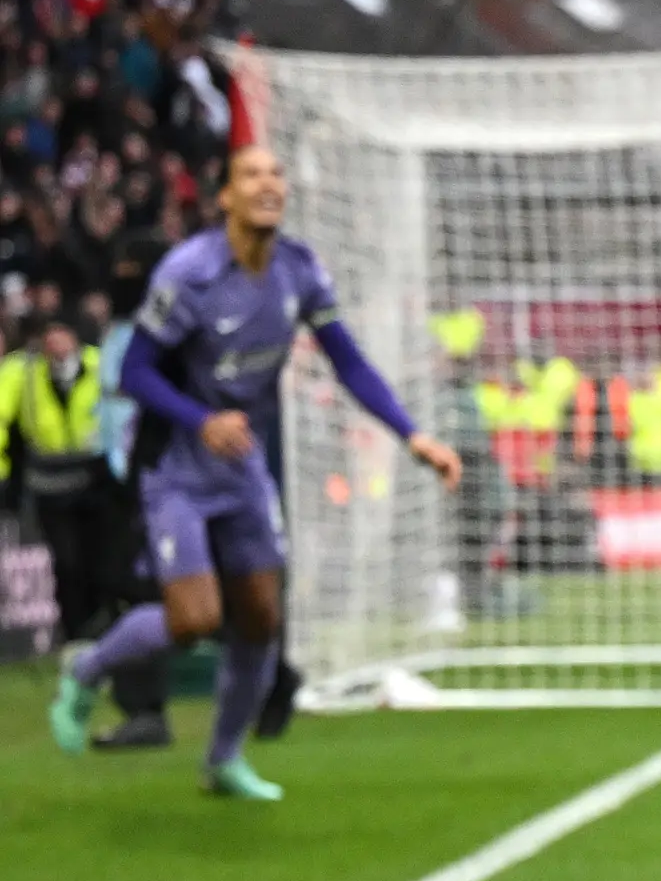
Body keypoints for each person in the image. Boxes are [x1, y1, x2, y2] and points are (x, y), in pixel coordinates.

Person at [44, 144, 462, 792]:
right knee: (195, 621)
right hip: (178, 466)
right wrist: (200, 420)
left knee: (262, 616)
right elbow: (135, 372)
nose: (269, 184)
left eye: (276, 174)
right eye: (252, 175)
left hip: (240, 471)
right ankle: (87, 671)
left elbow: (347, 361)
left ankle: (223, 760)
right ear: (225, 199)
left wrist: (414, 436)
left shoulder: (300, 271)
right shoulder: (190, 274)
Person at [3, 317, 117, 637]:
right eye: (48, 335)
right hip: (50, 485)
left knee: (100, 561)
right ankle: (76, 634)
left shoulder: (101, 364)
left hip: (97, 482)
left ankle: (103, 629)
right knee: (67, 565)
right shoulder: (22, 372)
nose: (55, 343)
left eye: (61, 333)